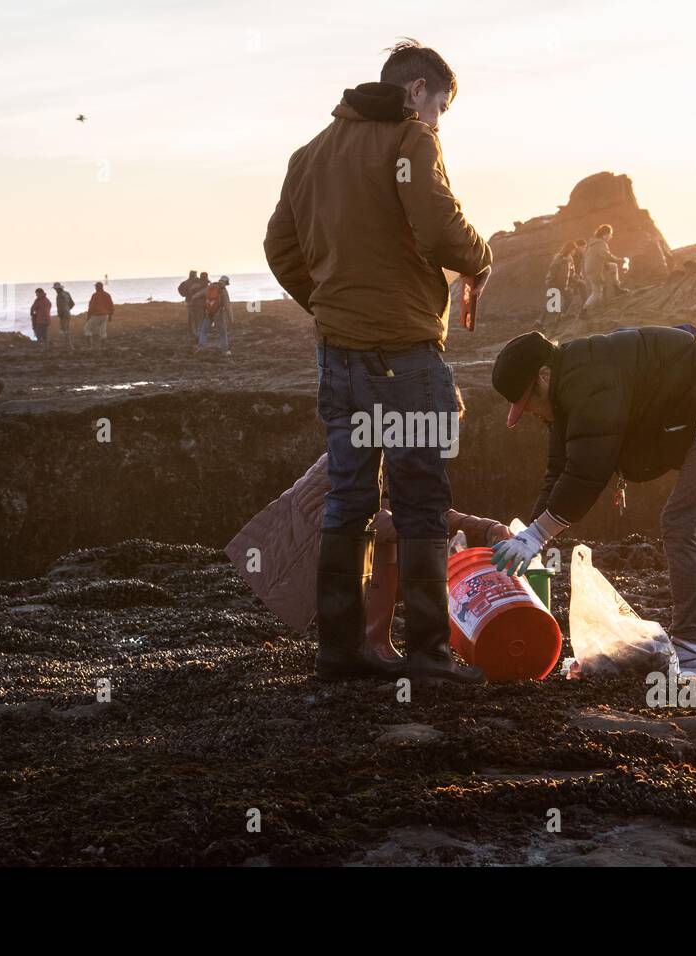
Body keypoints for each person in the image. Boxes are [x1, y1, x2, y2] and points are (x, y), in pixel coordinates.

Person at [263, 38, 493, 685]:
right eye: (439, 107)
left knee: (349, 500)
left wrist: (331, 304)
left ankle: (339, 652)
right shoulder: (410, 138)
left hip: (339, 354)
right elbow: (437, 225)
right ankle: (425, 656)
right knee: (420, 502)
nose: (438, 122)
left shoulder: (309, 154)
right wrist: (480, 261)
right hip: (406, 354)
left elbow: (281, 247)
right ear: (418, 92)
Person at [490, 327, 696, 676]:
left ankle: (689, 653)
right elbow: (559, 470)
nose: (532, 413)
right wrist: (529, 534)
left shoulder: (588, 383)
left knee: (681, 521)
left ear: (544, 376)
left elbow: (587, 471)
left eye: (529, 402)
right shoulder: (570, 387)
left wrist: (537, 536)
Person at [227, 452, 514, 671]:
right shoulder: (386, 446)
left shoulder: (397, 442)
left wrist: (483, 527)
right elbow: (369, 512)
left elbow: (423, 508)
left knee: (409, 533)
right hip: (314, 533)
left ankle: (369, 643)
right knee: (393, 535)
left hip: (327, 528)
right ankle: (372, 643)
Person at [582, 226, 628, 312]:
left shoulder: (593, 243)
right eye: (610, 234)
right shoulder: (600, 243)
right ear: (605, 235)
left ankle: (617, 288)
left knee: (613, 266)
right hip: (595, 271)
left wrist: (605, 264)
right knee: (596, 293)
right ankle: (584, 311)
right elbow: (607, 256)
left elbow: (597, 257)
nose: (611, 236)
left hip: (591, 269)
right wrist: (621, 260)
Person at [543, 239, 587, 324]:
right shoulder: (565, 259)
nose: (584, 249)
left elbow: (574, 271)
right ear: (571, 250)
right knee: (556, 302)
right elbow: (565, 274)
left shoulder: (563, 257)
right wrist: (566, 284)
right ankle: (558, 318)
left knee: (557, 301)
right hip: (556, 283)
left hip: (555, 282)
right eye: (584, 247)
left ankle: (543, 321)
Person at [193, 275, 233, 355]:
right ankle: (225, 351)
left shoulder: (210, 287)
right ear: (225, 282)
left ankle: (201, 347)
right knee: (222, 333)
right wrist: (231, 319)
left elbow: (199, 294)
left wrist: (193, 298)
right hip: (218, 314)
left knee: (204, 331)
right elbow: (227, 306)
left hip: (209, 313)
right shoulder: (223, 290)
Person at [86, 281, 113, 349]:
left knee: (87, 329)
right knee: (103, 331)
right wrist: (110, 316)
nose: (95, 288)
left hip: (96, 315)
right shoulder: (107, 295)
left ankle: (90, 347)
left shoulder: (95, 295)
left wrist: (88, 316)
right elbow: (111, 306)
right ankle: (103, 347)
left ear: (97, 287)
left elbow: (91, 307)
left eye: (95, 287)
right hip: (105, 315)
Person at [53, 282, 75, 350]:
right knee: (66, 330)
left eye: (56, 289)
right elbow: (72, 304)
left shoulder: (59, 296)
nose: (55, 290)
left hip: (63, 315)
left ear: (58, 289)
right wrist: (67, 309)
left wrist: (62, 313)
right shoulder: (67, 293)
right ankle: (68, 345)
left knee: (65, 330)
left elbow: (60, 307)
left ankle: (69, 346)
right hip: (68, 314)